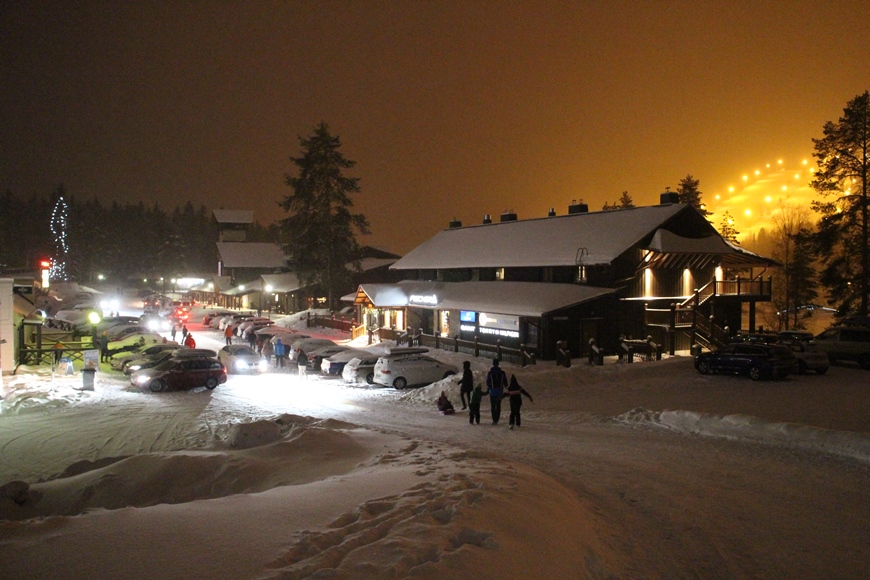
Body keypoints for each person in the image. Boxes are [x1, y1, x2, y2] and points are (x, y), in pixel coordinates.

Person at [485, 358, 508, 425]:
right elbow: (505, 382)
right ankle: (497, 418)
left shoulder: (490, 373)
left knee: (493, 406)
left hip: (492, 391)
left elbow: (488, 382)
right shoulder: (502, 373)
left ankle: (494, 419)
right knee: (498, 405)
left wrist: (489, 386)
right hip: (500, 391)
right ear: (498, 364)